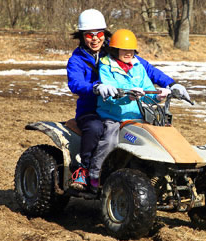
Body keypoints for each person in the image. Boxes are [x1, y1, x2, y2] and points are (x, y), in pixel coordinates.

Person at [66, 9, 190, 192]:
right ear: (82, 36)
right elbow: (75, 83)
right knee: (95, 129)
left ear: (104, 34)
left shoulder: (116, 49)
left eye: (99, 34)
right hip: (92, 109)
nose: (95, 39)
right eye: (89, 35)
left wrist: (171, 84)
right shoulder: (77, 60)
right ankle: (84, 170)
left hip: (123, 108)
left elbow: (146, 68)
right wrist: (95, 88)